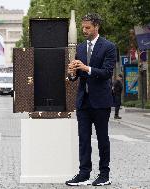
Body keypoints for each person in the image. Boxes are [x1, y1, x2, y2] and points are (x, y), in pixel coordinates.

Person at [66, 13, 116, 186]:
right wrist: (72, 73)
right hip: (83, 101)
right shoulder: (79, 48)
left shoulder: (109, 47)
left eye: (88, 28)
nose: (84, 30)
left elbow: (107, 73)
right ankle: (84, 173)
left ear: (96, 27)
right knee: (83, 139)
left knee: (102, 138)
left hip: (101, 101)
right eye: (82, 27)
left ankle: (104, 175)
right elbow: (75, 77)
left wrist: (86, 68)